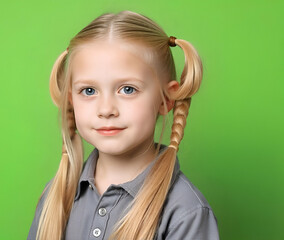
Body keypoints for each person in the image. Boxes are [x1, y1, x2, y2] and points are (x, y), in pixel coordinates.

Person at [28, 10, 219, 240]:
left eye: (128, 89)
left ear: (166, 99)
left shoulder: (185, 212)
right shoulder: (55, 198)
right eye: (89, 91)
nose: (106, 109)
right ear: (71, 99)